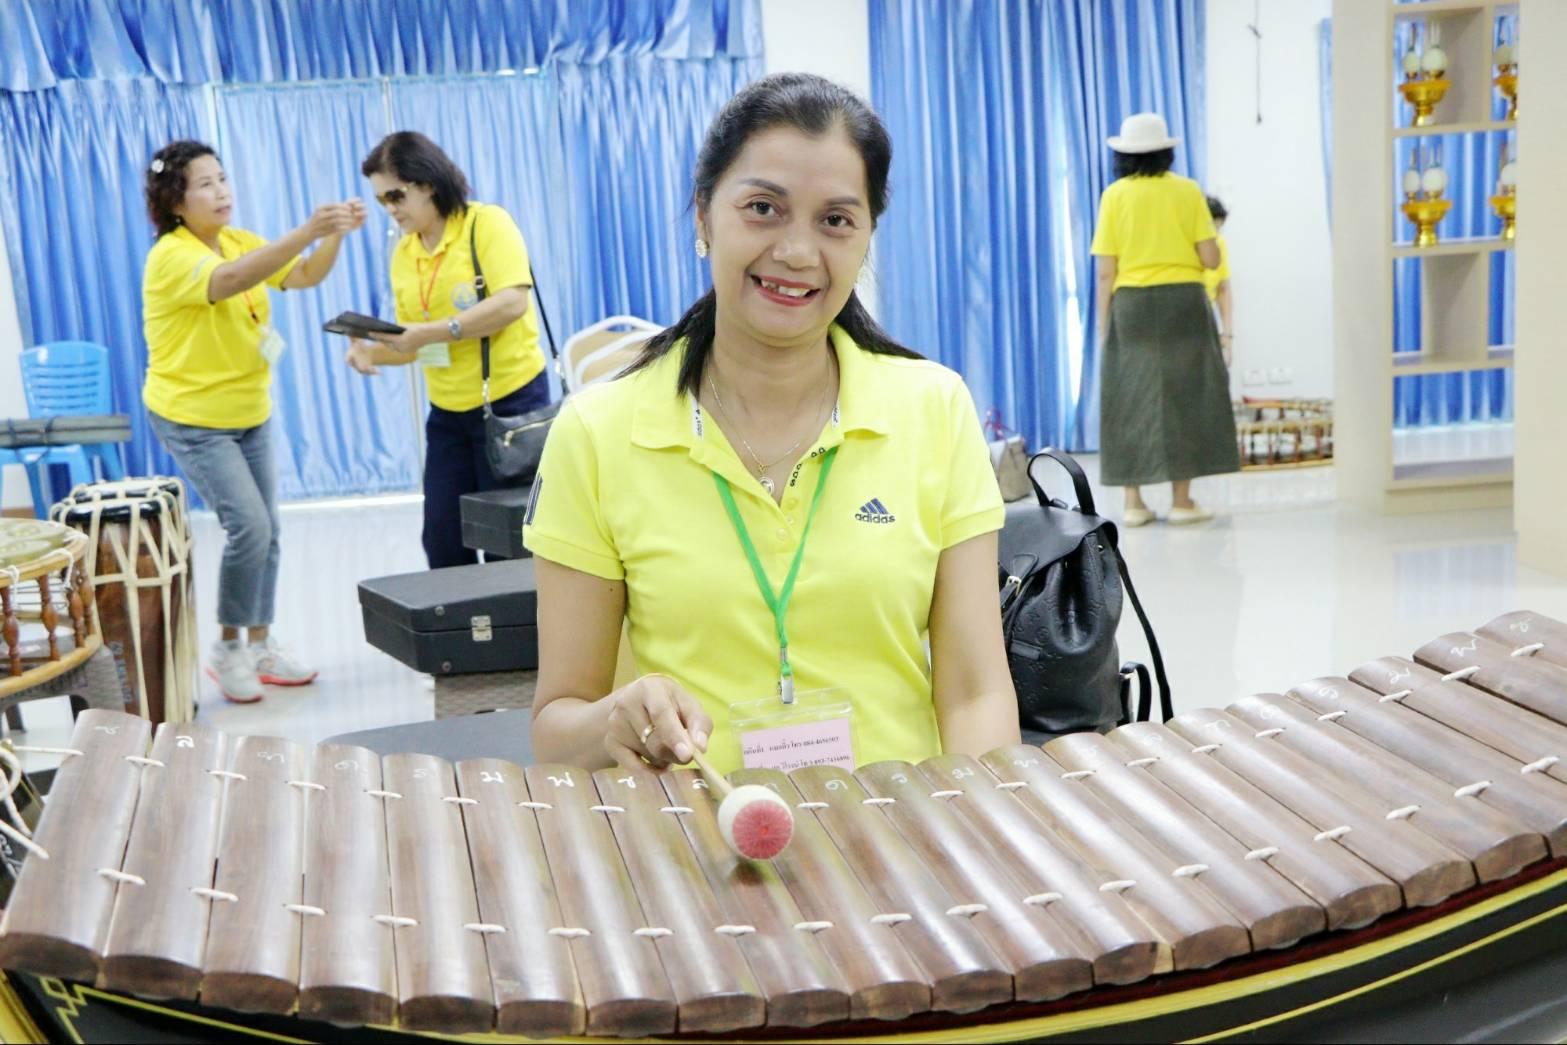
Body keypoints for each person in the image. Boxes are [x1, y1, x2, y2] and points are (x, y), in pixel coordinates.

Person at [523, 73, 1020, 775]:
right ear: (704, 216)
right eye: (763, 209)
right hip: (698, 825)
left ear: (867, 237)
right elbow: (556, 728)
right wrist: (615, 718)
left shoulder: (933, 408)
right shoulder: (597, 433)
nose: (796, 252)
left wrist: (981, 821)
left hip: (901, 825)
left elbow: (974, 693)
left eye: (835, 220)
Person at [141, 140, 364, 702]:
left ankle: (260, 645)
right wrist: (308, 228)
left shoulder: (240, 240)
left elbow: (305, 275)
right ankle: (227, 649)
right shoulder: (171, 256)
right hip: (193, 416)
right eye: (205, 184)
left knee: (268, 531)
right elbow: (231, 281)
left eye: (223, 178)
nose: (222, 191)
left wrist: (334, 234)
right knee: (250, 528)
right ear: (175, 202)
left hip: (249, 410)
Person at [346, 132, 549, 569]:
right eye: (381, 200)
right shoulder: (404, 253)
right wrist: (371, 352)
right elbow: (412, 342)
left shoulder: (485, 224)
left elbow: (512, 303)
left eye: (396, 195)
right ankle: (461, 618)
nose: (390, 209)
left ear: (428, 183)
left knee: (506, 545)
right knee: (442, 541)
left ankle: (516, 619)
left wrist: (436, 330)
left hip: (509, 406)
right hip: (448, 415)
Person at [1090, 113, 1239, 527]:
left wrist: (1104, 324)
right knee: (1186, 396)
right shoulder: (1188, 191)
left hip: (1132, 305)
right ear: (1167, 153)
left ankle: (1133, 503)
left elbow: (1105, 272)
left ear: (1124, 155)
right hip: (1183, 304)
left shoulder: (1114, 196)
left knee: (1127, 396)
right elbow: (1211, 258)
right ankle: (1181, 502)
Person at [1204, 195, 1234, 368]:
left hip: (1206, 316)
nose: (1214, 236)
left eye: (1218, 230)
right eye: (1211, 230)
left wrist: (1227, 335)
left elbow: (1223, 289)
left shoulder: (1218, 245)